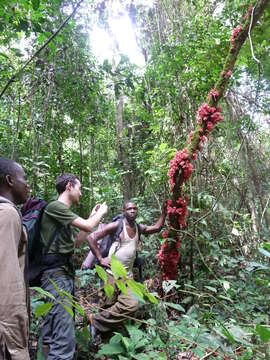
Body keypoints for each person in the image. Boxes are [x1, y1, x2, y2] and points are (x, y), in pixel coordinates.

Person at [39, 173, 108, 360]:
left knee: (53, 331)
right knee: (63, 340)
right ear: (69, 186)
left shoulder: (63, 215)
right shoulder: (55, 207)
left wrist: (92, 217)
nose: (81, 193)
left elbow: (76, 243)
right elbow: (86, 226)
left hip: (62, 275)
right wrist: (101, 213)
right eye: (79, 188)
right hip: (56, 277)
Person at [87, 200, 166, 338]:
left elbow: (156, 228)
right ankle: (102, 337)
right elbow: (91, 237)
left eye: (135, 208)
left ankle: (95, 320)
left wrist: (164, 213)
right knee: (107, 304)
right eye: (129, 208)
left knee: (131, 304)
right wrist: (100, 258)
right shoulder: (117, 225)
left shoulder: (138, 228)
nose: (132, 211)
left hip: (127, 277)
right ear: (124, 211)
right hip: (110, 274)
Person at [0, 157, 30, 360]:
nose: (27, 184)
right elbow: (7, 278)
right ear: (10, 180)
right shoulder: (7, 214)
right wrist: (15, 329)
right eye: (24, 178)